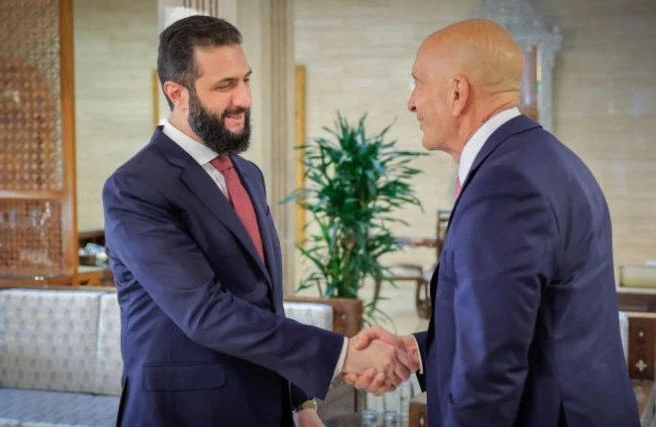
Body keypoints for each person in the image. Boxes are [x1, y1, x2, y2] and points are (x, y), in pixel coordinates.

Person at [102, 15, 415, 427]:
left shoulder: (247, 175)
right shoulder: (135, 187)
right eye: (224, 86)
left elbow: (265, 304)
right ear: (177, 93)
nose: (244, 99)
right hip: (182, 415)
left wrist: (301, 405)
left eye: (245, 80)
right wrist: (344, 355)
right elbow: (205, 312)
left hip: (265, 409)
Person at [346, 19, 640, 427]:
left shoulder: (505, 187)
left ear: (457, 93)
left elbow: (489, 372)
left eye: (418, 83)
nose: (412, 102)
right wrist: (419, 351)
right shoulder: (549, 159)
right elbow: (523, 327)